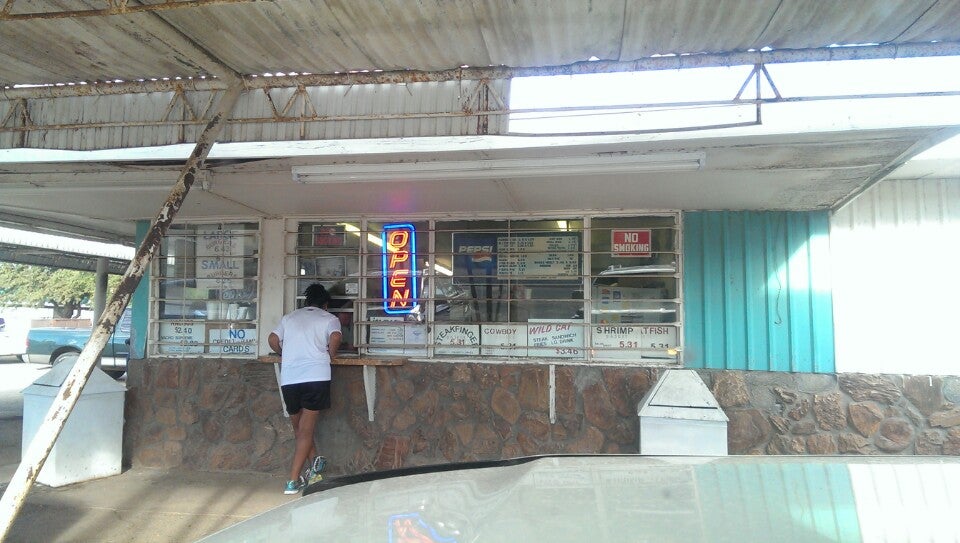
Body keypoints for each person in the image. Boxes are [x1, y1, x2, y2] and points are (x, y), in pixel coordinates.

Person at [268, 283, 342, 494]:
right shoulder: (329, 319)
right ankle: (292, 481)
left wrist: (285, 353)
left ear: (306, 301)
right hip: (316, 376)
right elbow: (336, 337)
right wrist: (331, 355)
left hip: (289, 377)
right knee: (305, 431)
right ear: (325, 304)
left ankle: (315, 469)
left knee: (300, 430)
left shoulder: (290, 317)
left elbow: (272, 339)